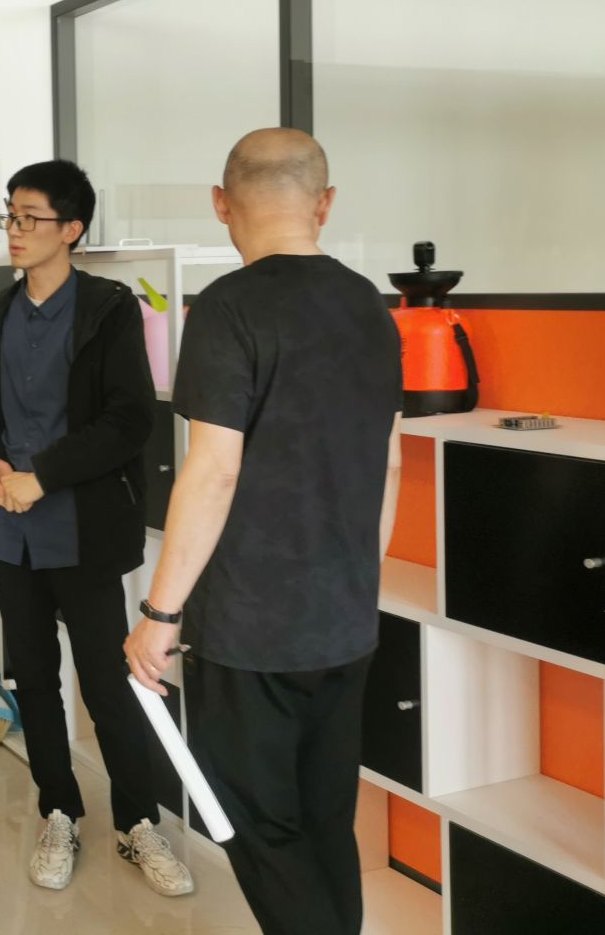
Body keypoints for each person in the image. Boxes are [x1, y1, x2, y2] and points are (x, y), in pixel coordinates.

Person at [124, 129, 403, 935]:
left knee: (260, 828)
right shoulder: (370, 305)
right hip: (345, 622)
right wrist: (360, 586)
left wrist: (160, 613)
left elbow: (213, 470)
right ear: (325, 203)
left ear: (222, 203)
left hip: (252, 632)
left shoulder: (228, 308)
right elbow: (389, 463)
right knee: (324, 822)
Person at [0, 159, 195, 897]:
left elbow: (130, 420)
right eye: (10, 215)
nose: (15, 230)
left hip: (81, 525)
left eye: (30, 218)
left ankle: (138, 822)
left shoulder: (108, 308)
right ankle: (58, 810)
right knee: (32, 678)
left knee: (107, 681)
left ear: (72, 229)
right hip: (9, 528)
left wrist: (44, 475)